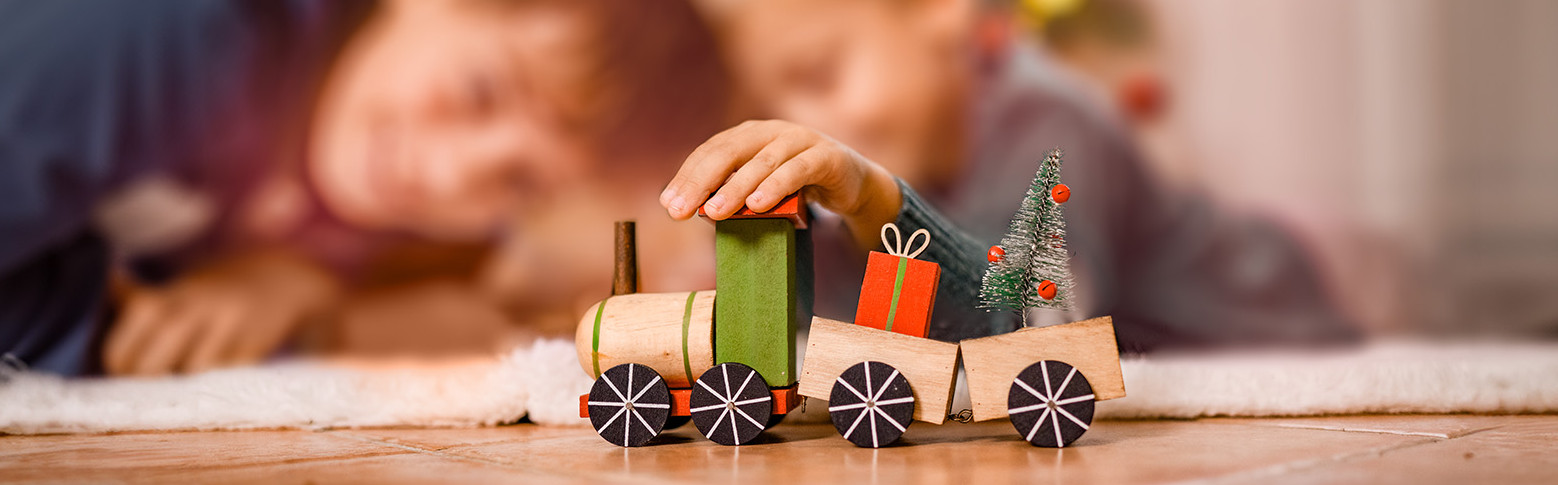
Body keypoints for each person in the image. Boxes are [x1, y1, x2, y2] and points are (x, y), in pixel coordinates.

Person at [0, 0, 731, 376]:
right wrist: (102, 327)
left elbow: (452, 259)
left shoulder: (391, 206)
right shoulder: (175, 35)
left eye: (519, 181)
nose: (448, 177)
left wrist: (295, 277)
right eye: (480, 92)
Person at [673, 0, 1360, 349]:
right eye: (774, 96)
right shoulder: (900, 163)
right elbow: (848, 327)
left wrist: (871, 193)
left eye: (819, 74)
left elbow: (1030, 307)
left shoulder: (1053, 121)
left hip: (1267, 324)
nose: (802, 117)